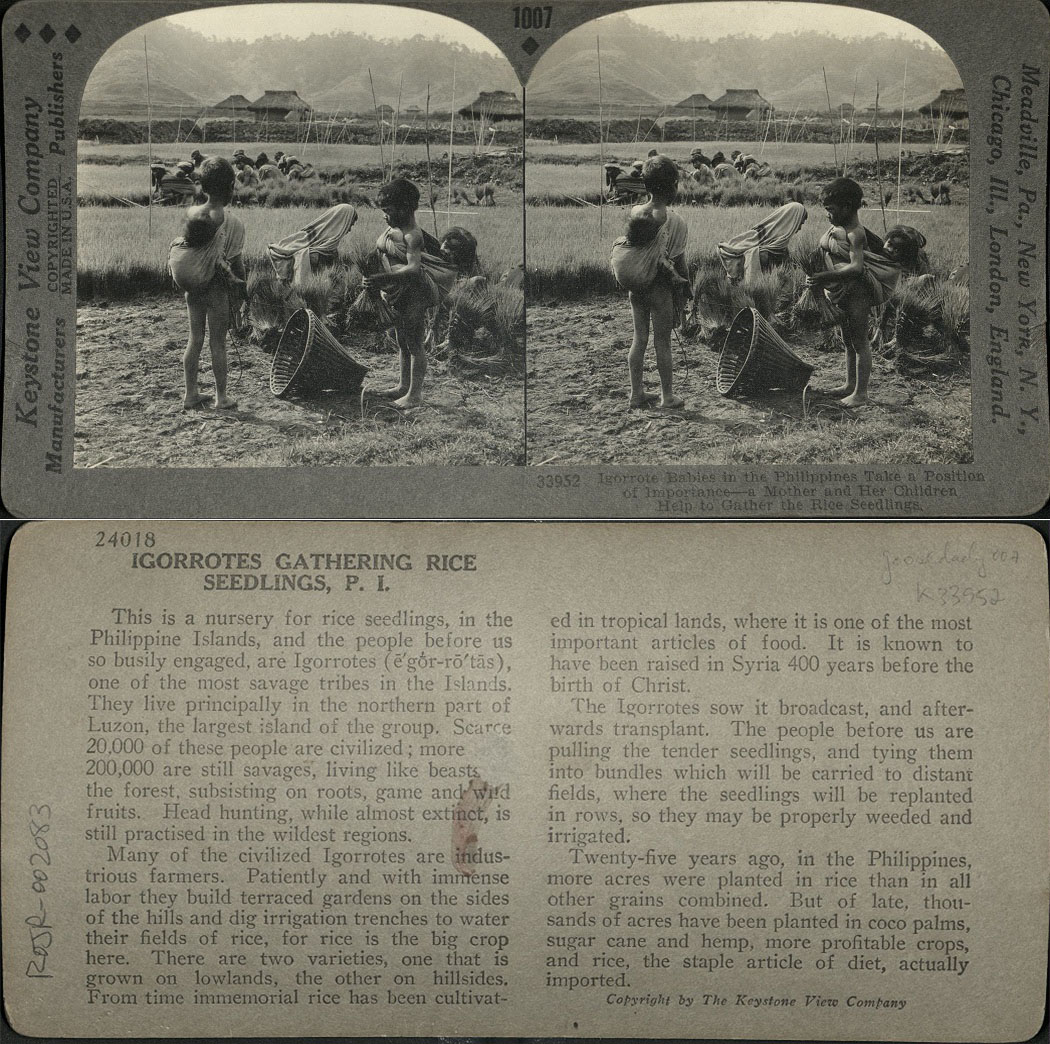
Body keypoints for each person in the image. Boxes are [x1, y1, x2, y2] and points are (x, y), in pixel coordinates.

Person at [362, 178, 457, 407]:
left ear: (405, 209)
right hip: (399, 292)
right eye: (383, 211)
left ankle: (414, 395)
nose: (384, 215)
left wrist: (382, 279)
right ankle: (403, 386)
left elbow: (414, 269)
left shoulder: (412, 234)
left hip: (415, 292)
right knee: (402, 340)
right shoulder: (393, 228)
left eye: (388, 210)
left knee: (414, 342)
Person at [806, 177, 900, 406]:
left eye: (831, 209)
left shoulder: (855, 233)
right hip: (842, 290)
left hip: (858, 292)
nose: (827, 214)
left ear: (847, 206)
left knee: (860, 342)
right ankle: (849, 385)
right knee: (848, 340)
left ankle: (861, 393)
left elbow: (857, 267)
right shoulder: (838, 227)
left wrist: (825, 276)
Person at [610, 154, 689, 409]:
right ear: (674, 186)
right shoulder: (675, 220)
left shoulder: (635, 211)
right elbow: (677, 260)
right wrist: (683, 288)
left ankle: (636, 394)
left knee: (639, 338)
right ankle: (667, 396)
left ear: (645, 185)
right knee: (662, 341)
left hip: (637, 287)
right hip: (659, 287)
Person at [167, 156, 245, 410]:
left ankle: (191, 394)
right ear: (231, 186)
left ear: (203, 185)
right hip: (215, 288)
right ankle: (222, 397)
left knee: (195, 339)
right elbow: (235, 262)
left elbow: (186, 245)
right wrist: (240, 289)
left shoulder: (191, 212)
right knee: (218, 342)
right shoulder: (231, 221)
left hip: (193, 286)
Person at [717, 201, 807, 285]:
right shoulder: (762, 242)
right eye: (799, 223)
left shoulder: (780, 244)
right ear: (791, 221)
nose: (799, 228)